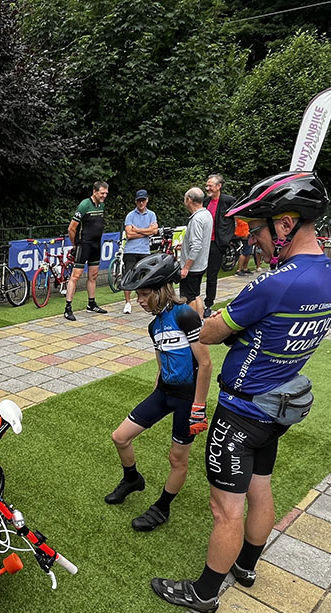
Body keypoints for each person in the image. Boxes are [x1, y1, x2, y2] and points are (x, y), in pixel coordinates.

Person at [150, 171, 331, 613]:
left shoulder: (275, 282)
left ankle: (203, 592)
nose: (251, 240)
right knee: (262, 487)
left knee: (226, 509)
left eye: (256, 230)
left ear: (285, 224)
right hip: (277, 406)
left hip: (240, 411)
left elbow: (212, 331)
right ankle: (247, 565)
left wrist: (212, 319)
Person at [104, 254, 212, 531]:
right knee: (120, 437)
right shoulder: (154, 325)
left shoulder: (185, 315)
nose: (139, 300)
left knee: (177, 459)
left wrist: (199, 406)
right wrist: (153, 400)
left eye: (143, 294)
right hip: (164, 393)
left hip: (189, 399)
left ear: (161, 289)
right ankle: (132, 479)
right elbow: (162, 363)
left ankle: (162, 507)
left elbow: (205, 363)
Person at [64, 181, 110, 320]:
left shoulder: (101, 205)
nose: (104, 196)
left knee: (93, 275)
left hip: (96, 244)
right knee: (76, 276)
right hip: (84, 244)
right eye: (102, 193)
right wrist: (75, 244)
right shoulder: (84, 205)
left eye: (106, 193)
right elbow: (71, 228)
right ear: (95, 191)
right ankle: (68, 308)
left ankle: (91, 303)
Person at [202, 174, 237, 318]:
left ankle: (208, 304)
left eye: (210, 185)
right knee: (197, 272)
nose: (207, 188)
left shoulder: (228, 201)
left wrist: (227, 237)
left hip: (217, 243)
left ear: (218, 186)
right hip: (203, 243)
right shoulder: (205, 202)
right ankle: (193, 301)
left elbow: (239, 216)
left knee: (212, 276)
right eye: (207, 185)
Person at [120, 189, 159, 313]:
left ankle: (146, 300)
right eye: (139, 201)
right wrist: (146, 231)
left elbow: (154, 231)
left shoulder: (151, 214)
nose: (141, 203)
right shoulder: (130, 215)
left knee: (146, 276)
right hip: (130, 250)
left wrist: (138, 230)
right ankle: (127, 303)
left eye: (143, 200)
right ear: (136, 202)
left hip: (144, 250)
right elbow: (129, 234)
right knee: (128, 276)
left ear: (147, 200)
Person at [178, 188, 213, 317]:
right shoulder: (207, 214)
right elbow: (200, 240)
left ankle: (192, 326)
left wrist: (186, 267)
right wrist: (184, 246)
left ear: (189, 200)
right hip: (201, 264)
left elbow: (197, 246)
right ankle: (200, 324)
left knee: (188, 298)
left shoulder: (197, 219)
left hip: (192, 268)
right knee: (196, 294)